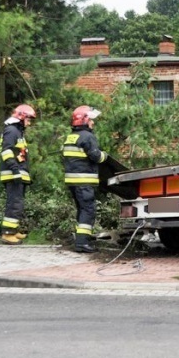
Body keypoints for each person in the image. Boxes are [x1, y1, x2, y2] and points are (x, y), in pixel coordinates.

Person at [62, 105, 108, 253]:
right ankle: (82, 243)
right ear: (85, 120)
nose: (93, 123)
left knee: (82, 210)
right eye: (91, 120)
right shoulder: (87, 137)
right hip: (83, 181)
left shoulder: (71, 137)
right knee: (88, 210)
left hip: (73, 181)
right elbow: (95, 156)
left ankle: (82, 239)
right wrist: (105, 156)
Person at [0, 104, 36, 245]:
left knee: (17, 204)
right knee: (14, 204)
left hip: (17, 174)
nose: (29, 122)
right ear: (21, 117)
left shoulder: (17, 132)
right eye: (28, 118)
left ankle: (13, 231)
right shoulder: (11, 131)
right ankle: (7, 234)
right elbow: (6, 152)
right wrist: (15, 171)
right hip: (13, 174)